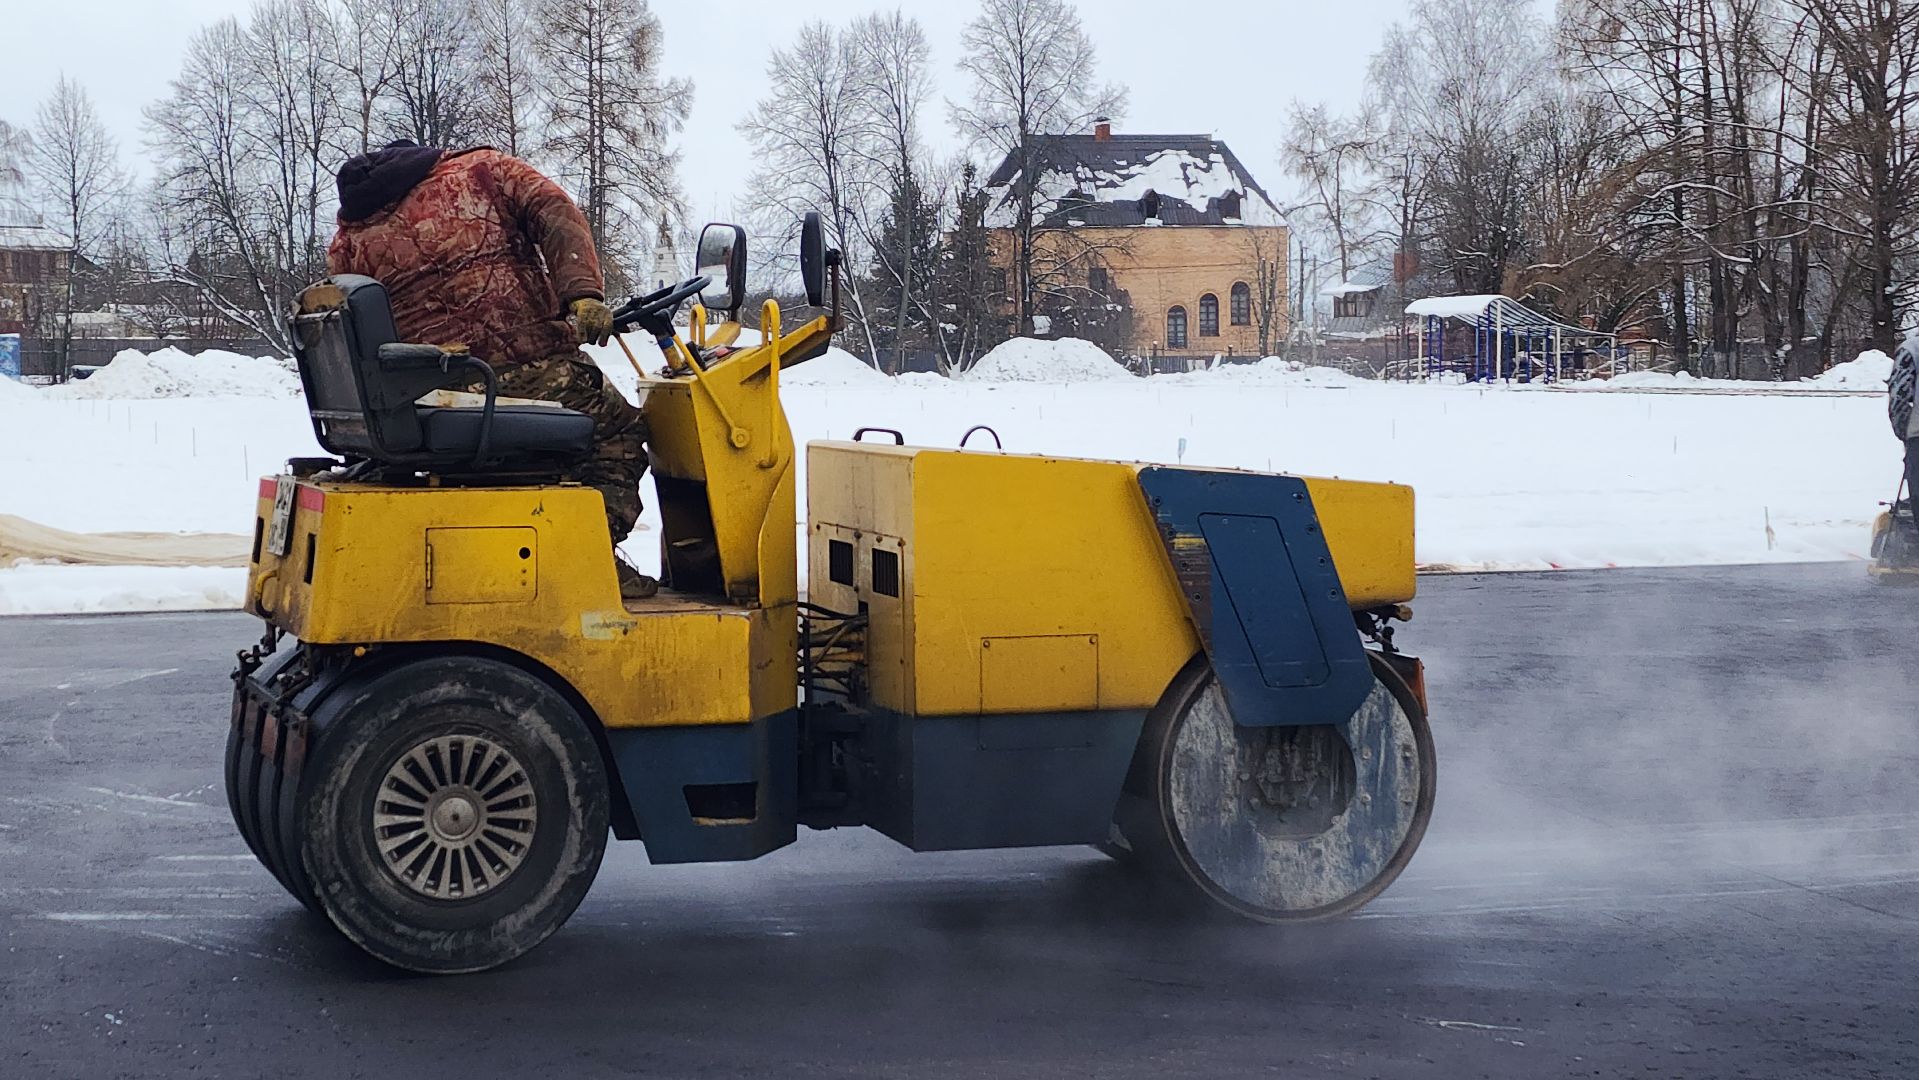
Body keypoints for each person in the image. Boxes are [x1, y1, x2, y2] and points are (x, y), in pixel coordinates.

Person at [326, 140, 655, 598]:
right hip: (516, 370)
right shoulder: (481, 173)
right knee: (618, 429)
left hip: (426, 390)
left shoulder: (349, 236)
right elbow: (555, 210)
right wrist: (582, 293)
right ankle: (588, 560)